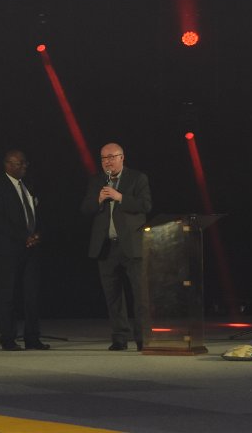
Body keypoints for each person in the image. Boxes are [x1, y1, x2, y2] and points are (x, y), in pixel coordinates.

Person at [80, 143, 152, 351]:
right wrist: (99, 199)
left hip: (131, 246)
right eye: (104, 158)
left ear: (122, 157)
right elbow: (85, 209)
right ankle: (120, 337)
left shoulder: (137, 178)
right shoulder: (96, 181)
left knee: (140, 295)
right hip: (106, 246)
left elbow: (145, 205)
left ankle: (142, 338)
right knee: (113, 295)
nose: (107, 162)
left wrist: (120, 197)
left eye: (111, 157)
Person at [0, 149, 49, 351]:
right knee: (8, 295)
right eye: (19, 163)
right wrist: (24, 237)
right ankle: (8, 338)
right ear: (7, 164)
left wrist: (38, 234)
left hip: (31, 249)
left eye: (25, 162)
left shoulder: (28, 184)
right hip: (8, 249)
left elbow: (36, 213)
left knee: (32, 294)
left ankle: (32, 337)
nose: (24, 166)